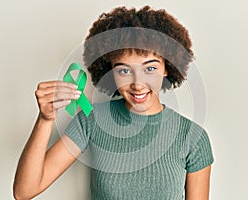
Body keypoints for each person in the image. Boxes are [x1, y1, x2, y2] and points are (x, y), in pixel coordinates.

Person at [13, 5, 214, 200]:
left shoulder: (193, 138)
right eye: (124, 70)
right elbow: (25, 191)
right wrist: (45, 119)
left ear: (167, 67)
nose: (137, 84)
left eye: (150, 69)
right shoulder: (91, 120)